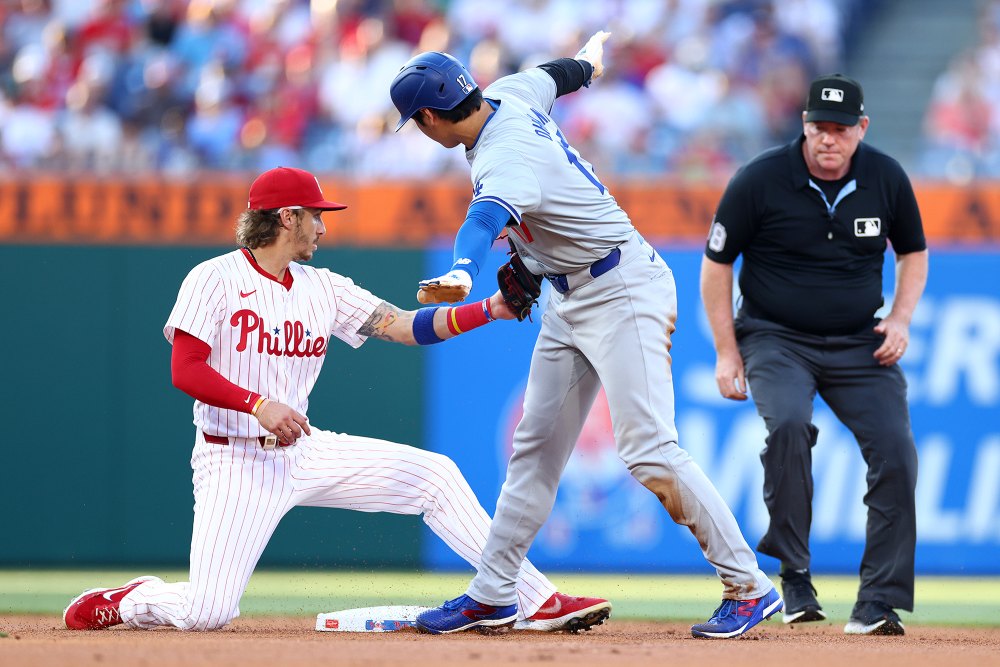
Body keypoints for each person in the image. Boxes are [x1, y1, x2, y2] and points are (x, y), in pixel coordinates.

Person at [62, 166, 611, 633]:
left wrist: (491, 308)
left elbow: (404, 326)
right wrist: (257, 403)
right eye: (315, 214)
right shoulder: (214, 278)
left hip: (302, 450)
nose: (323, 225)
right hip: (231, 457)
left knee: (435, 476)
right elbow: (185, 369)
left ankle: (536, 598)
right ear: (286, 217)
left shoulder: (323, 286)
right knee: (209, 611)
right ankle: (132, 599)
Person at [389, 33, 781, 639]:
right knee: (535, 449)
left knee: (649, 447)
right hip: (568, 295)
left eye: (416, 123)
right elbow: (559, 73)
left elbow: (484, 219)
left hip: (620, 288)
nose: (420, 132)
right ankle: (494, 593)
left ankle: (748, 585)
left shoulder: (503, 155)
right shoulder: (509, 93)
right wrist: (591, 60)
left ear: (432, 115)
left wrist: (464, 270)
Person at [700, 74, 928, 636]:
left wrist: (899, 319)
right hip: (775, 336)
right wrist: (728, 353)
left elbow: (914, 253)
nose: (829, 139)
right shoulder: (760, 179)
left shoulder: (886, 177)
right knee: (789, 429)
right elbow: (716, 267)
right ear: (803, 126)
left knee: (897, 451)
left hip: (858, 340)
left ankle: (878, 601)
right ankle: (794, 576)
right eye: (818, 128)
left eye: (841, 129)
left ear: (861, 129)